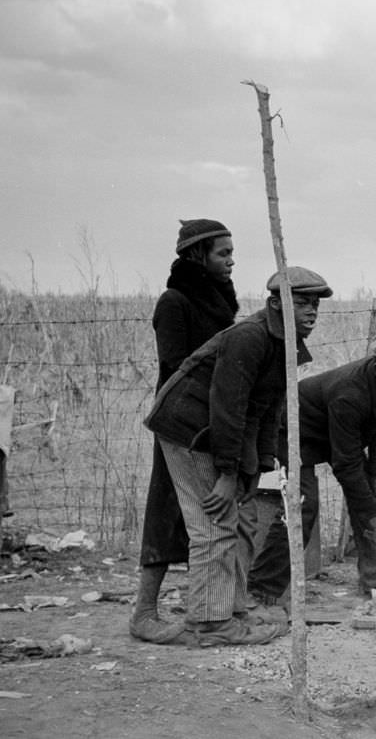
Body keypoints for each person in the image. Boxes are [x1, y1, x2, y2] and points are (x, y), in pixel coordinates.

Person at [144, 266, 332, 646]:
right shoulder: (250, 337)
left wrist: (257, 465)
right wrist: (229, 474)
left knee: (233, 519)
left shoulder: (283, 343)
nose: (311, 311)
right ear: (275, 303)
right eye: (301, 302)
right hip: (188, 427)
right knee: (213, 523)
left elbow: (266, 408)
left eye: (315, 304)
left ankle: (226, 611)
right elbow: (228, 408)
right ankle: (210, 625)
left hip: (212, 431)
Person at [247, 331, 376, 602]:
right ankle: (262, 589)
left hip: (334, 433)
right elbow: (347, 464)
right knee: (303, 505)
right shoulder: (349, 394)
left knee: (371, 495)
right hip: (295, 432)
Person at [131, 219, 238, 644]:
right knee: (167, 509)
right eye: (223, 253)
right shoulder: (173, 302)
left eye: (232, 253)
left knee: (201, 513)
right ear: (199, 256)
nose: (231, 261)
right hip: (178, 419)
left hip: (210, 420)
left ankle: (205, 606)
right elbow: (176, 365)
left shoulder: (218, 298)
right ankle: (143, 612)